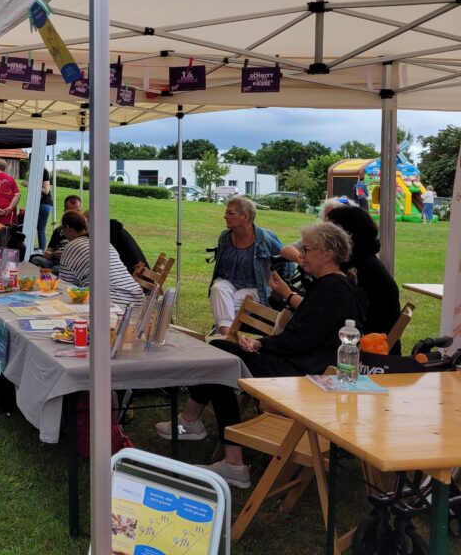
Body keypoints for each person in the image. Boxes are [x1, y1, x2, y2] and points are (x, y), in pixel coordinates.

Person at [156, 222, 366, 489]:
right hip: (309, 366)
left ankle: (229, 459)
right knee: (222, 354)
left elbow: (299, 339)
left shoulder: (331, 289)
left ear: (327, 254)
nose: (302, 256)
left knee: (222, 359)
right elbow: (305, 332)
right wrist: (269, 330)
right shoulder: (337, 285)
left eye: (307, 250)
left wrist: (260, 344)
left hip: (305, 375)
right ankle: (194, 424)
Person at [325, 205, 401, 353]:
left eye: (328, 231)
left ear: (344, 234)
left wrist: (289, 295)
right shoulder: (366, 262)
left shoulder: (359, 269)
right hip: (371, 344)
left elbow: (331, 314)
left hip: (366, 350)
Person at [207, 196, 285, 336]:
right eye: (226, 212)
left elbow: (285, 262)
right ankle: (228, 337)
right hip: (229, 282)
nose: (225, 216)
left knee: (230, 304)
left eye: (230, 213)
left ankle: (223, 336)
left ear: (246, 216)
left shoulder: (265, 239)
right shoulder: (225, 237)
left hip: (256, 288)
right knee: (217, 288)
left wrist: (278, 285)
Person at [56, 210, 144, 309]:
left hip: (111, 303)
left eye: (63, 230)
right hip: (136, 300)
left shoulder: (71, 246)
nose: (64, 234)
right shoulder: (103, 241)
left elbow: (66, 287)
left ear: (68, 228)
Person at [30, 195, 82, 270]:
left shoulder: (82, 230)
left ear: (81, 211)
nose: (74, 215)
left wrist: (66, 256)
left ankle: (50, 273)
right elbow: (49, 251)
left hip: (70, 264)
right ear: (65, 211)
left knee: (56, 269)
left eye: (77, 211)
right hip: (54, 262)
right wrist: (48, 254)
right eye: (71, 212)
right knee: (35, 259)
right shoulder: (59, 230)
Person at [37, 168, 53, 252]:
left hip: (44, 203)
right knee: (40, 228)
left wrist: (30, 184)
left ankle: (41, 251)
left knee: (41, 228)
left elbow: (46, 191)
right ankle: (40, 250)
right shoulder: (39, 171)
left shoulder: (44, 171)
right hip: (43, 204)